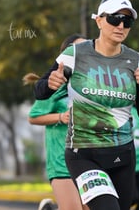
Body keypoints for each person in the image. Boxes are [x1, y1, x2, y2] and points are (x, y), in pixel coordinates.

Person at [33, 0, 139, 210]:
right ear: (99, 20)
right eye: (114, 19)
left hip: (122, 154)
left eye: (127, 21)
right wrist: (50, 84)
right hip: (84, 153)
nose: (121, 25)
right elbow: (39, 91)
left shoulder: (135, 60)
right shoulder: (75, 54)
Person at [23, 34, 88, 210]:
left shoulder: (90, 87)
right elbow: (33, 117)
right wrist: (61, 117)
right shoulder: (54, 85)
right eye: (77, 49)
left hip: (89, 160)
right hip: (61, 161)